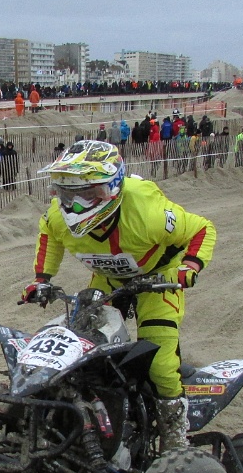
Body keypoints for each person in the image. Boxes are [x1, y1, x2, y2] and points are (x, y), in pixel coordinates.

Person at [21, 140, 216, 451]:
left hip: (158, 278)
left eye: (86, 193)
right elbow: (50, 235)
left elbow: (201, 228)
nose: (74, 203)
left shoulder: (147, 210)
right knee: (83, 346)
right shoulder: (59, 217)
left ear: (111, 188)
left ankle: (174, 436)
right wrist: (41, 279)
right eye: (66, 192)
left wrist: (190, 264)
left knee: (160, 361)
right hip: (108, 279)